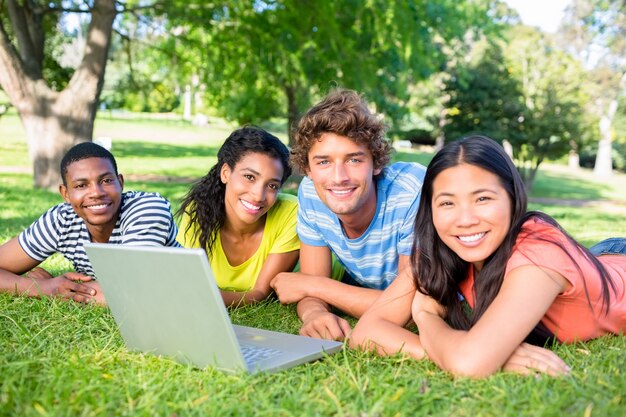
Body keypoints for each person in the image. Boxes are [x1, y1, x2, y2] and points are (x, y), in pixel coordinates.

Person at [350, 135, 626, 378]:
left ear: (513, 199)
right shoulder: (443, 249)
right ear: (430, 209)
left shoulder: (538, 254)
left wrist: (425, 316)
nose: (465, 220)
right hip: (594, 261)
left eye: (482, 199)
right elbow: (366, 332)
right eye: (447, 202)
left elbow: (469, 362)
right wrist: (464, 351)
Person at [270, 89, 427, 340]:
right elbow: (311, 285)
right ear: (308, 169)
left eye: (354, 160)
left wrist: (313, 286)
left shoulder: (410, 192)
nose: (338, 177)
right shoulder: (312, 193)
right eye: (323, 162)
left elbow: (409, 309)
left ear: (376, 163)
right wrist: (314, 313)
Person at [0, 142, 180, 305]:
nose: (96, 192)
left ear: (121, 182)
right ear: (66, 194)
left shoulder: (147, 208)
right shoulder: (62, 219)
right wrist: (42, 287)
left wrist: (63, 288)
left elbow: (133, 289)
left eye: (106, 181)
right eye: (81, 185)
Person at [177, 126, 299, 307]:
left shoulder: (291, 213)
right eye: (249, 177)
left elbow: (261, 293)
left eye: (272, 186)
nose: (259, 195)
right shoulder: (199, 212)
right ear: (225, 173)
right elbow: (184, 281)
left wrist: (205, 297)